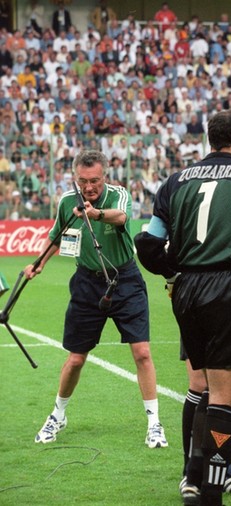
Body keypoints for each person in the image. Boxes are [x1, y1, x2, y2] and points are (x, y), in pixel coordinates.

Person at [134, 110, 231, 506]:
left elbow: (148, 245)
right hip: (229, 288)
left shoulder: (175, 181)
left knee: (200, 385)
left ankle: (192, 475)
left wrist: (176, 269)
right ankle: (211, 490)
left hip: (186, 290)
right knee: (227, 395)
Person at [24, 149, 167, 449]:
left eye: (95, 181)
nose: (89, 187)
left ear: (105, 177)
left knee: (141, 352)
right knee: (76, 359)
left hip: (124, 279)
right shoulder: (66, 201)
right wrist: (38, 264)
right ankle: (58, 414)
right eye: (84, 181)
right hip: (87, 283)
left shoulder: (118, 195)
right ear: (75, 178)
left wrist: (95, 213)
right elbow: (57, 236)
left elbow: (122, 217)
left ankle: (154, 423)